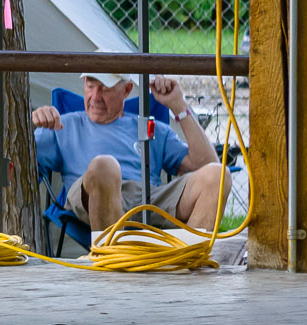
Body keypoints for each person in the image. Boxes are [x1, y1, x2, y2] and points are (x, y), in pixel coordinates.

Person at [32, 73, 224, 233]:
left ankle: (187, 263)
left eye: (105, 89)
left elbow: (205, 165)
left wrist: (179, 106)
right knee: (105, 165)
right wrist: (33, 123)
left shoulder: (150, 127)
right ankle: (116, 264)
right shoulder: (62, 125)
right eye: (91, 86)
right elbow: (20, 163)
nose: (96, 97)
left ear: (127, 90)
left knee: (217, 175)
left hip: (148, 198)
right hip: (93, 193)